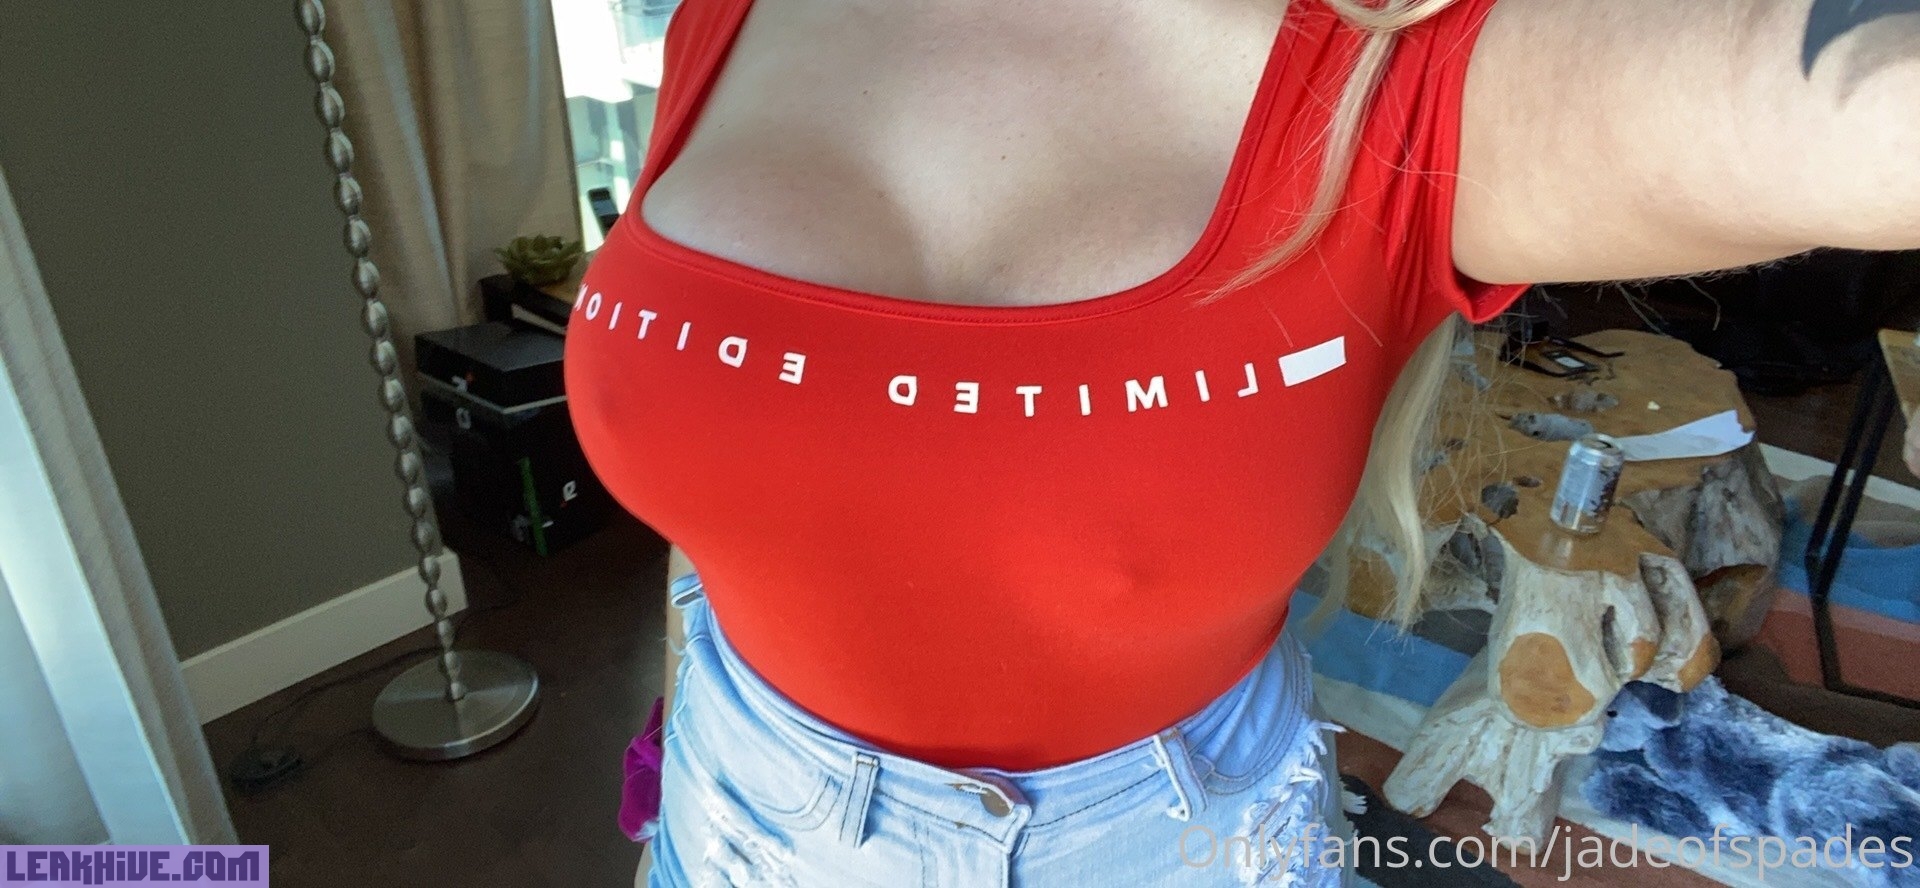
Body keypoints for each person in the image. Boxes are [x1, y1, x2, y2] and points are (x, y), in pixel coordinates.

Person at [560, 0, 1920, 883]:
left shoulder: (1396, 80)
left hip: (1171, 846)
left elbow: (1858, 109)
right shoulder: (724, 18)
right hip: (735, 813)